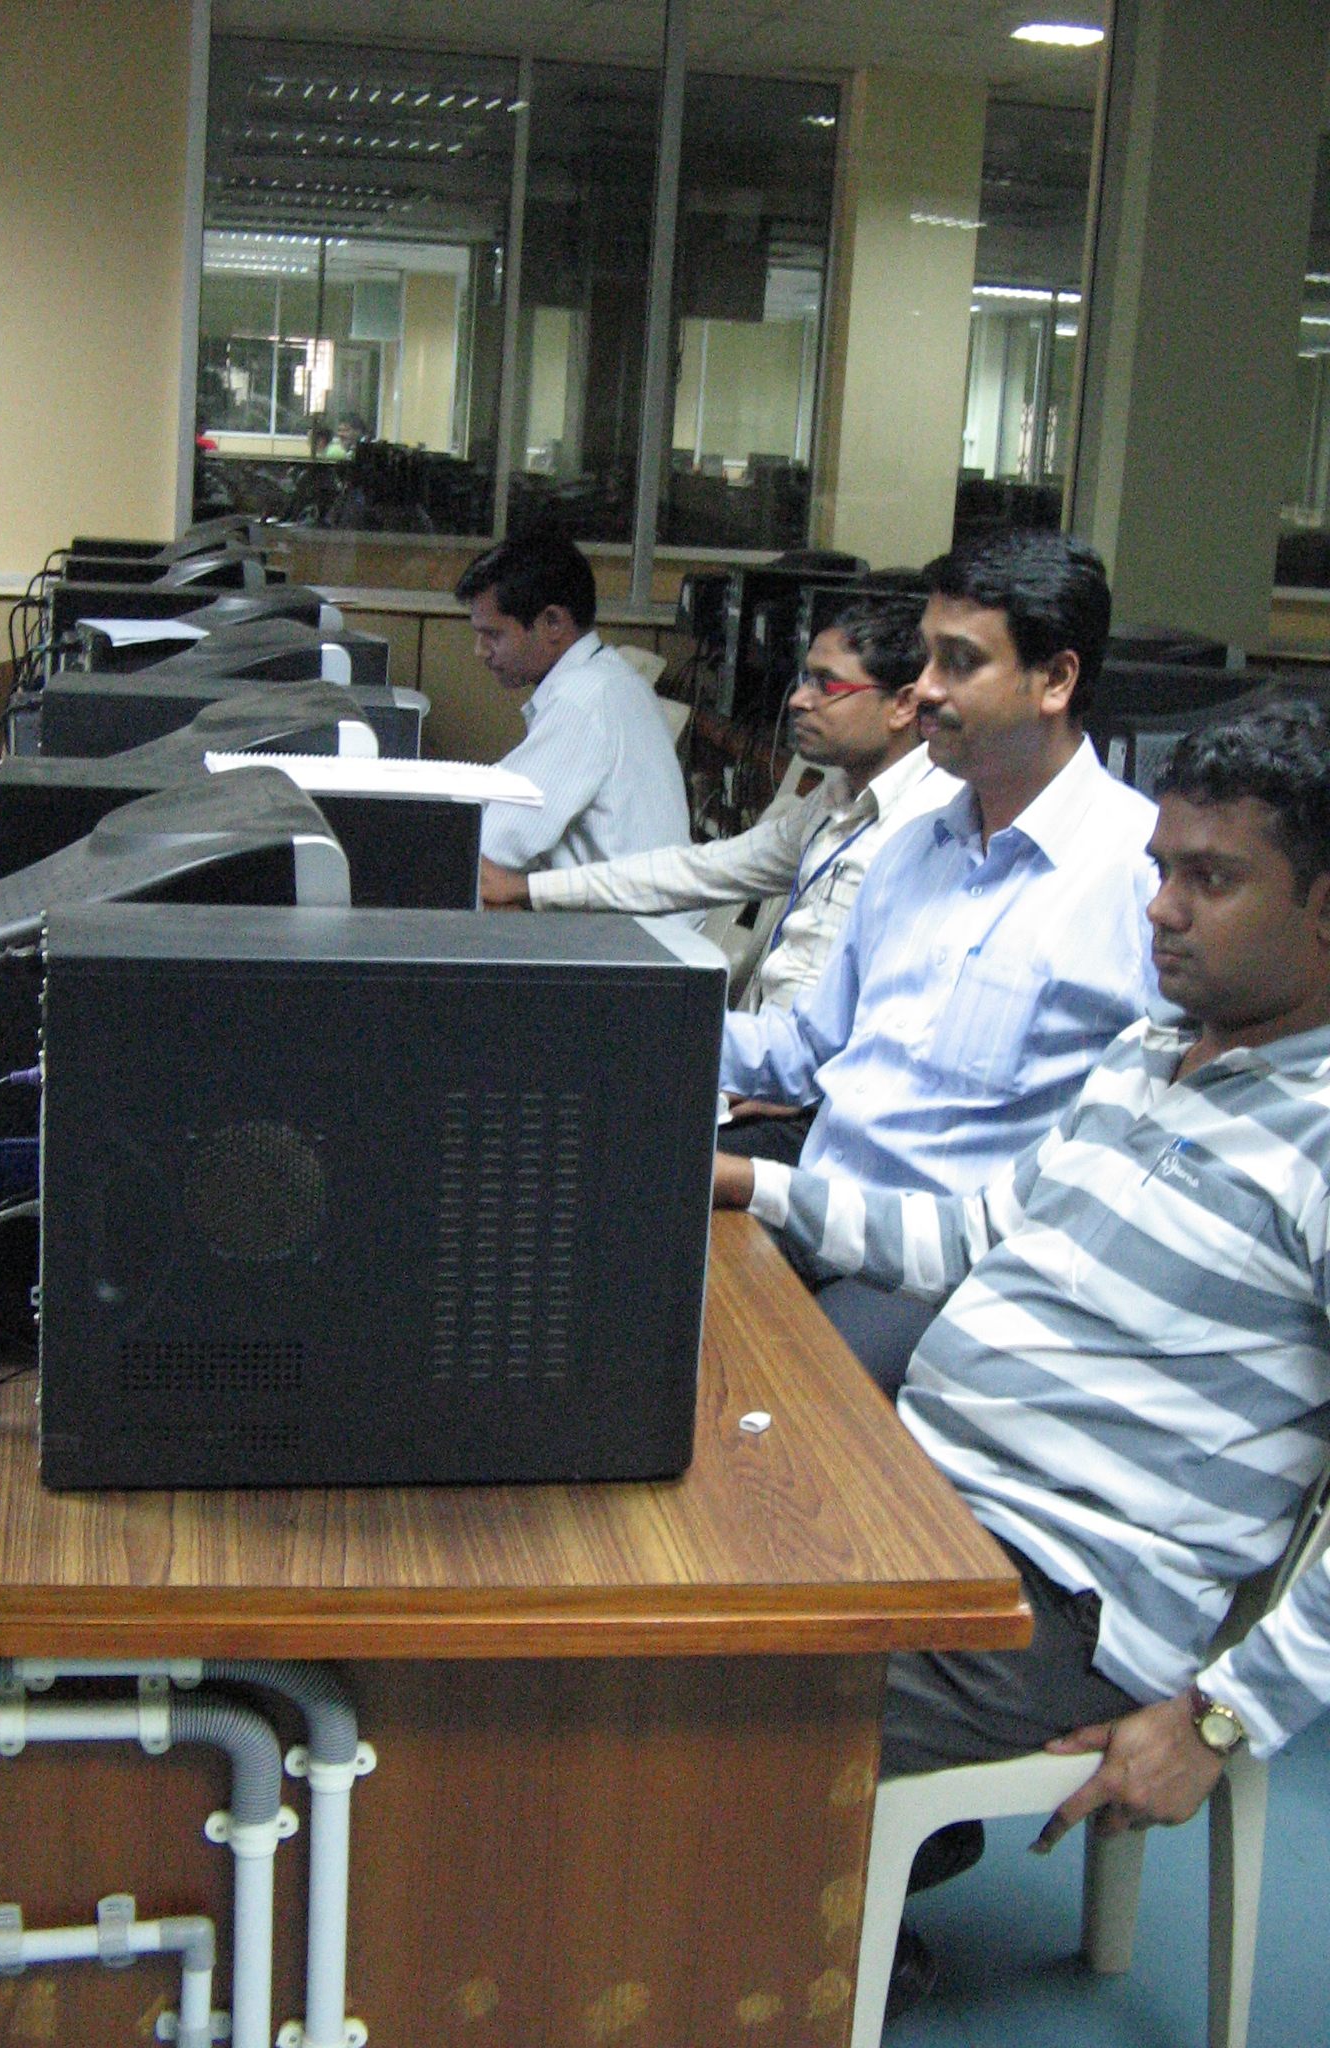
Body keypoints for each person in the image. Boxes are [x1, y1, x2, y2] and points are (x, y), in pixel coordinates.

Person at [756, 696, 1330, 2003]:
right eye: (1161, 870)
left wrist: (1224, 1715)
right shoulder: (1146, 1052)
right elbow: (970, 1234)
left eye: (1213, 879)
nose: (1161, 909)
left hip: (1060, 1595)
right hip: (926, 1501)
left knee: (693, 1695)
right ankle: (827, 1883)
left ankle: (787, 1934)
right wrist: (757, 1188)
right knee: (662, 1569)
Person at [712, 529, 1159, 1391]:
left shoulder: (1141, 877)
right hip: (813, 1208)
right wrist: (643, 1029)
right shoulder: (914, 847)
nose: (923, 689)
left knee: (775, 1400)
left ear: (1056, 681)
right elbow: (808, 1048)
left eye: (960, 662)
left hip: (944, 1271)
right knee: (624, 1295)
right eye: (927, 658)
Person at [480, 595, 955, 1014]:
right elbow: (699, 870)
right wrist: (528, 889)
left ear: (903, 705)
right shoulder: (836, 798)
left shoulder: (932, 828)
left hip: (801, 1074)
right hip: (766, 1052)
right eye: (805, 679)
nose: (798, 700)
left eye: (826, 685)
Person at [456, 533, 690, 876]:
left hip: (620, 911)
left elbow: (489, 847)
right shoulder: (610, 678)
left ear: (553, 622)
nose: (480, 651)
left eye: (493, 634)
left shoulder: (581, 702)